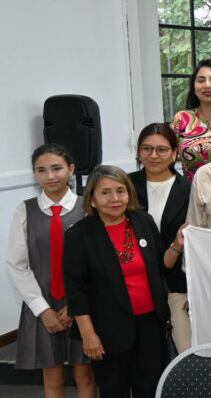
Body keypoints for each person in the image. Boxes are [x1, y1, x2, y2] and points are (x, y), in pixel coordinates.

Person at [64, 166, 173, 398]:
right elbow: (76, 292)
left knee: (150, 389)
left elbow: (161, 265)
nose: (115, 199)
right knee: (114, 391)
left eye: (120, 191)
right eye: (105, 193)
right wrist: (88, 335)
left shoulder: (143, 221)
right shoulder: (79, 235)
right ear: (92, 199)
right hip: (107, 330)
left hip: (150, 326)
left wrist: (178, 246)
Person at [6, 144, 96, 397]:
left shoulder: (88, 208)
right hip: (42, 303)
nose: (50, 176)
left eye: (56, 168)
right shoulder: (25, 210)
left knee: (84, 375)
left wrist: (77, 305)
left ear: (71, 169)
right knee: (52, 376)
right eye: (41, 170)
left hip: (80, 303)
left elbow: (97, 263)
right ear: (34, 174)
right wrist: (42, 309)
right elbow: (17, 264)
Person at [128, 123, 191, 352]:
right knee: (143, 358)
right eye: (147, 148)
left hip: (177, 284)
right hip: (134, 285)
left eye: (162, 149)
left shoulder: (190, 188)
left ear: (175, 153)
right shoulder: (124, 186)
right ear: (138, 152)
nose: (153, 155)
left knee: (185, 351)